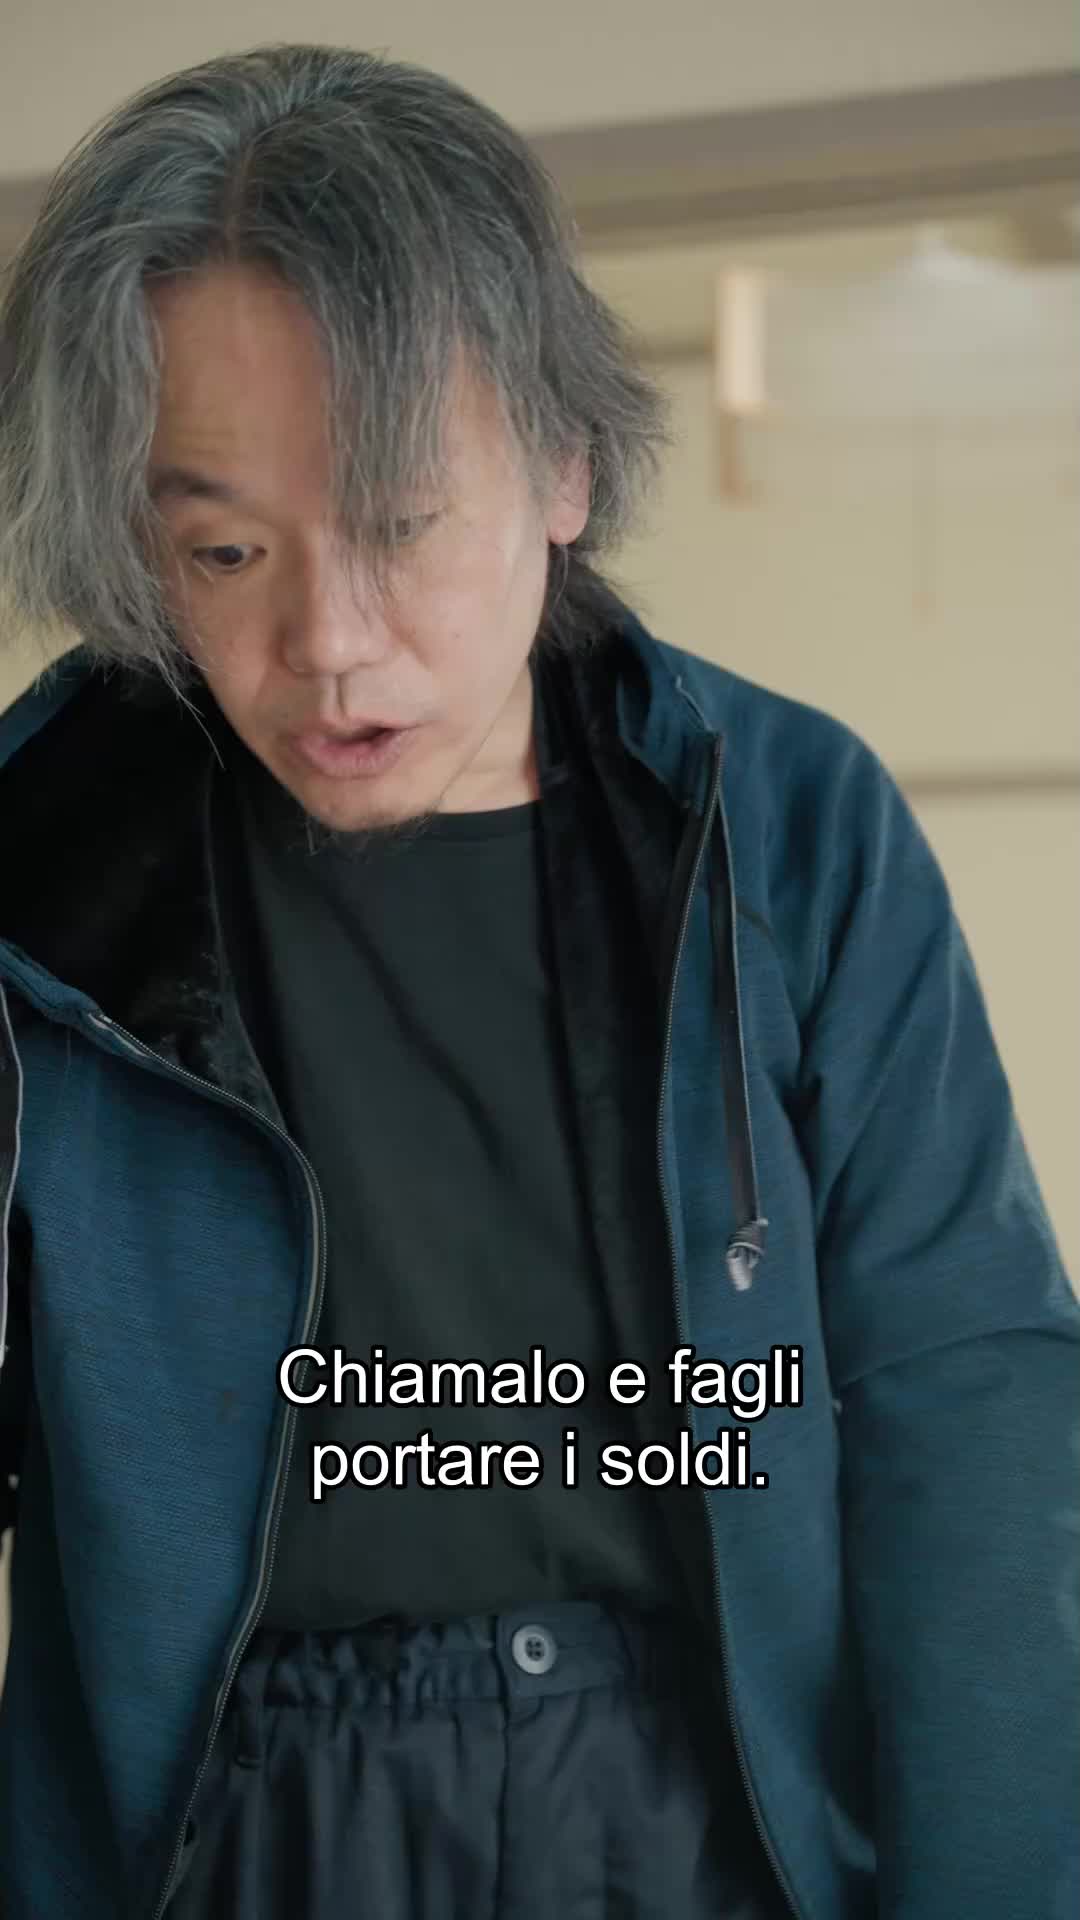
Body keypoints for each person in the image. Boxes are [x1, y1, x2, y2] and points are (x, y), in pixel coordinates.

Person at [0, 42, 1076, 1920]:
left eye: (401, 522)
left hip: (712, 1803)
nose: (328, 643)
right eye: (225, 550)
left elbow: (962, 1394)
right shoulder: (38, 868)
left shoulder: (780, 818)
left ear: (567, 464)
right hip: (238, 1831)